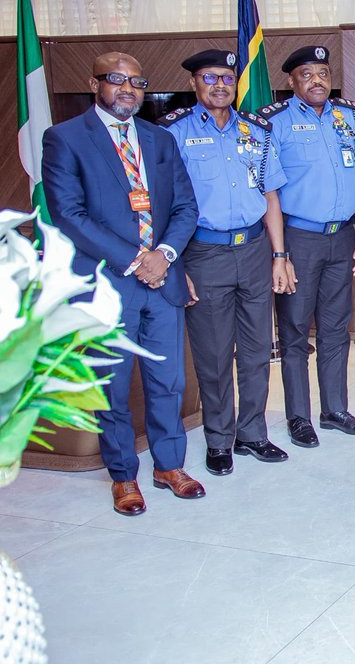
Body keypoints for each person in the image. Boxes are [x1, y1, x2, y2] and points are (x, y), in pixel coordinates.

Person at [41, 52, 203, 516]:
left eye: (137, 81)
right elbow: (69, 215)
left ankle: (169, 465)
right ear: (96, 84)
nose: (128, 89)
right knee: (112, 386)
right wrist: (137, 260)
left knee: (167, 380)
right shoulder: (66, 138)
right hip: (109, 283)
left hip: (163, 280)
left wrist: (165, 255)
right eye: (117, 80)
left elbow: (186, 207)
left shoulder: (159, 139)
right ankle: (124, 476)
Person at [160, 48, 293, 476]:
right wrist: (176, 264)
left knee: (256, 350)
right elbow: (165, 206)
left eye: (226, 78)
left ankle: (252, 433)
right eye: (210, 78)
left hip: (254, 249)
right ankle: (219, 439)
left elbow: (271, 196)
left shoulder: (257, 130)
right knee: (214, 354)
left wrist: (279, 255)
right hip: (204, 252)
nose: (220, 85)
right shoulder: (173, 133)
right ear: (194, 84)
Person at [260, 45, 355, 448]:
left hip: (342, 236)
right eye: (306, 74)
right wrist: (280, 253)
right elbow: (269, 190)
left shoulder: (347, 117)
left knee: (335, 329)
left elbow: (353, 177)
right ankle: (298, 417)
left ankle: (334, 410)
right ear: (291, 82)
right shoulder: (274, 122)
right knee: (293, 333)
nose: (317, 81)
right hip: (299, 239)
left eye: (322, 73)